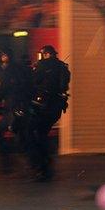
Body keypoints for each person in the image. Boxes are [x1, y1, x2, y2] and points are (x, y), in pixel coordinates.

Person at [0, 49, 34, 174]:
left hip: (12, 111)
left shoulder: (4, 74)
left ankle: (6, 163)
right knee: (24, 137)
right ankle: (33, 165)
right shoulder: (21, 69)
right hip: (26, 109)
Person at [28, 45, 70, 181]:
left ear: (46, 54)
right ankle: (46, 164)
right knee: (43, 133)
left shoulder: (42, 65)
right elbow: (65, 85)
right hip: (56, 107)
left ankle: (43, 168)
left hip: (44, 105)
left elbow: (33, 81)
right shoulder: (63, 66)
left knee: (37, 134)